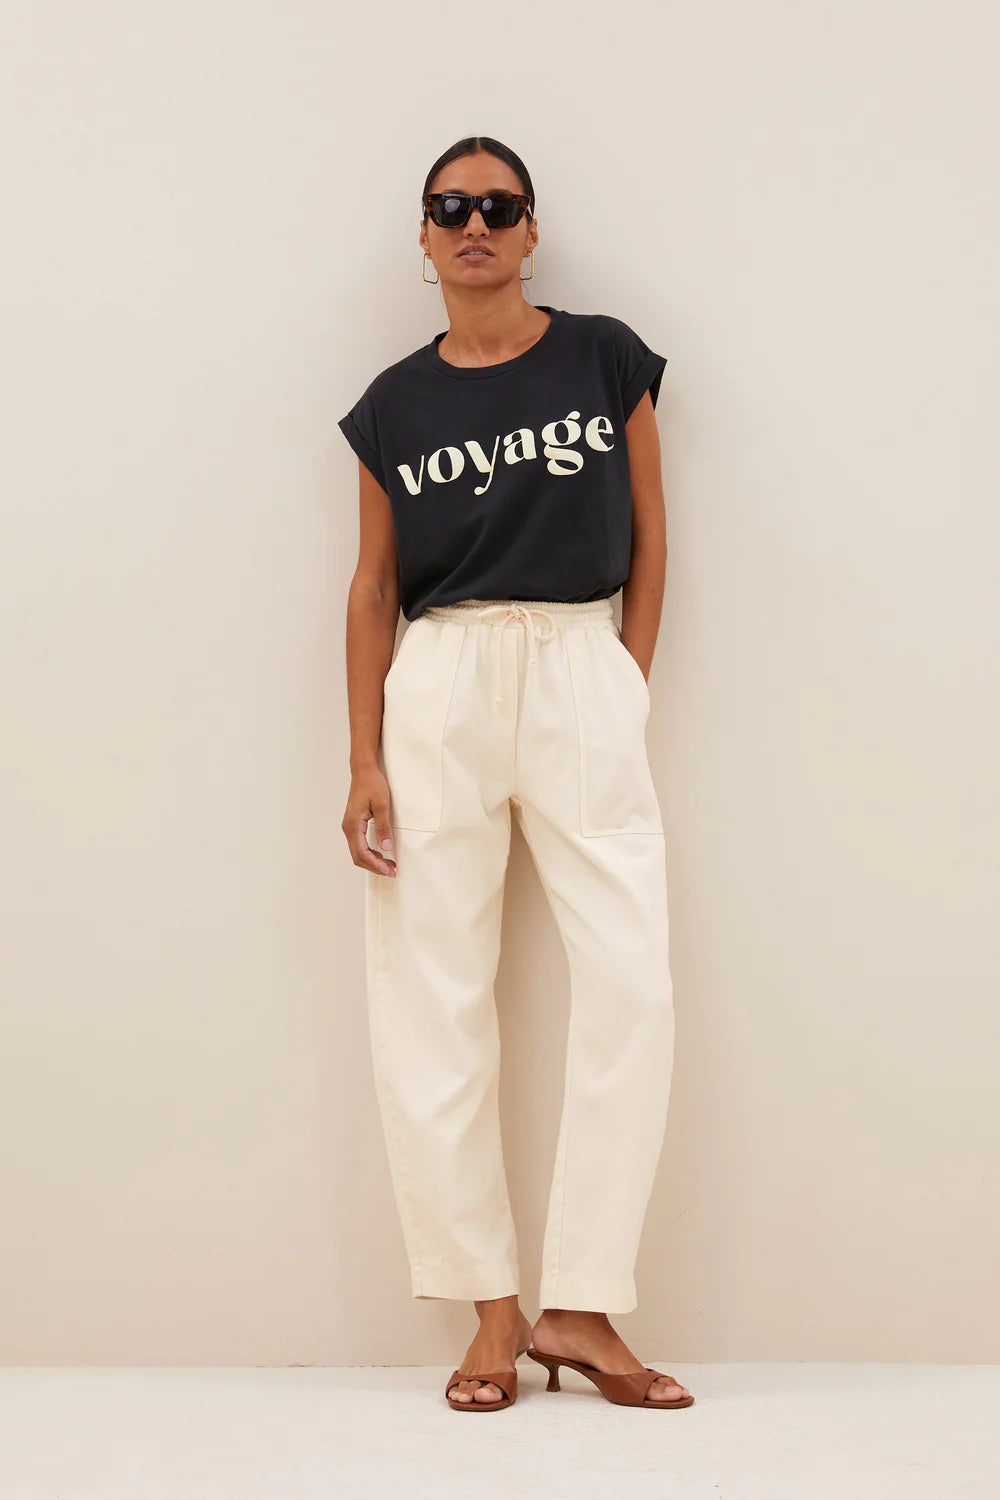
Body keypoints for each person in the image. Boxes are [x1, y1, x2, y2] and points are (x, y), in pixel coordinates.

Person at [338, 135, 693, 1414]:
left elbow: (651, 534)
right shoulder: (392, 404)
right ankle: (489, 1308)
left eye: (498, 205)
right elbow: (374, 585)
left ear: (532, 229)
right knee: (432, 994)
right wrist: (364, 755)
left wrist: (622, 681)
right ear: (423, 236)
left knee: (630, 982)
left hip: (578, 663)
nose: (474, 224)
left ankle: (582, 1305)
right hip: (438, 681)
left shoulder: (603, 359)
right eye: (451, 207)